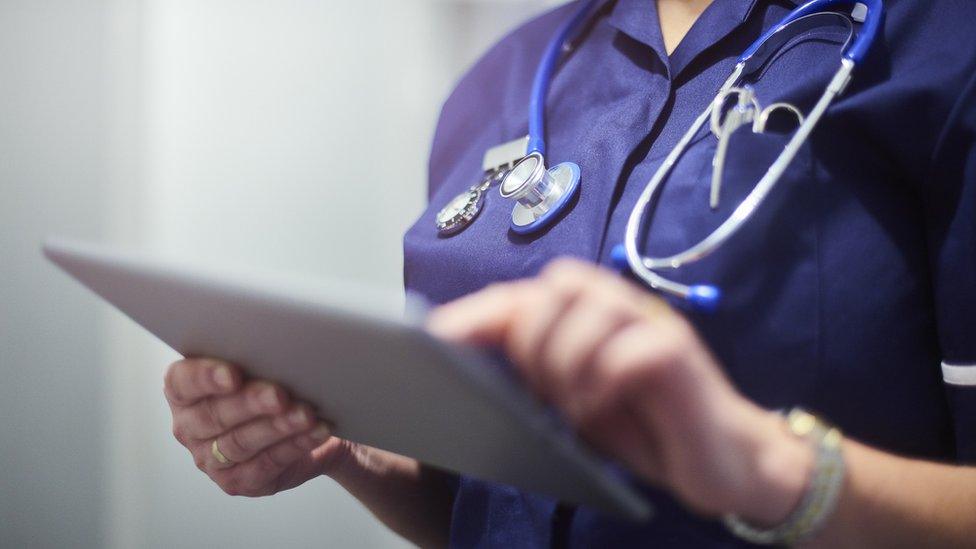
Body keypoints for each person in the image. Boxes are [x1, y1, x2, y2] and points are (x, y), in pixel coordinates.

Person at [162, 0, 976, 547]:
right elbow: (485, 501)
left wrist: (775, 470)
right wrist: (342, 448)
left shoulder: (942, 49)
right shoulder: (502, 81)